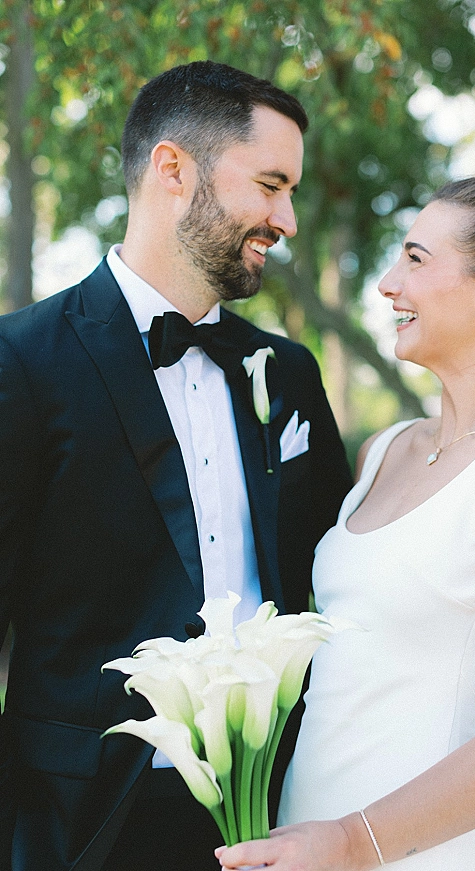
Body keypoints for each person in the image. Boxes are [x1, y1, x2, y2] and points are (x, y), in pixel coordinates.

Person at [0, 61, 353, 871]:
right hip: (83, 822)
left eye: (291, 191)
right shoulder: (22, 362)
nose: (287, 218)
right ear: (173, 170)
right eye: (270, 185)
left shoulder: (288, 371)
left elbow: (338, 580)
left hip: (281, 814)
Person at [215, 175, 475, 871]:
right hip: (305, 835)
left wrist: (355, 841)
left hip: (401, 849)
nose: (387, 283)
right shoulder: (388, 448)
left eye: (416, 259)